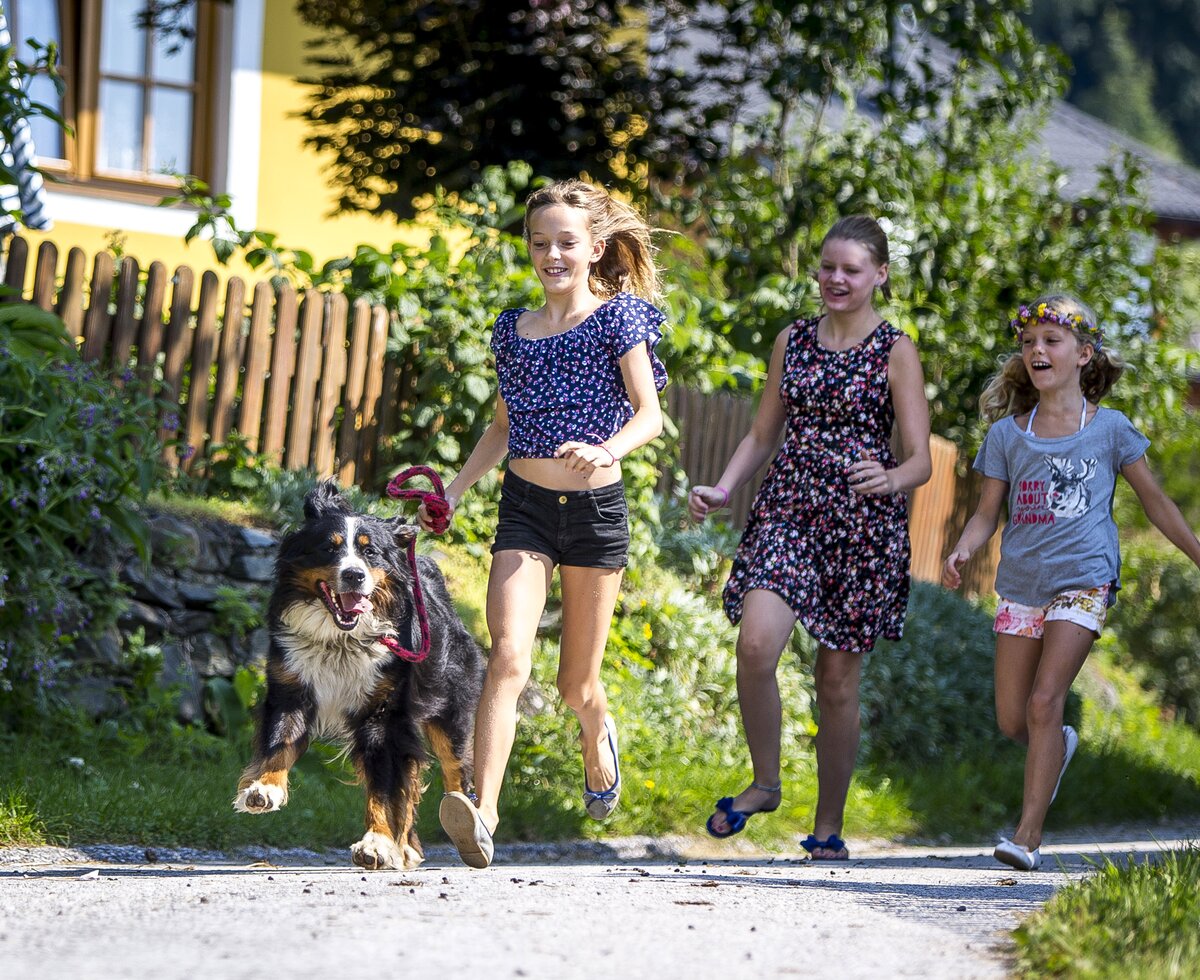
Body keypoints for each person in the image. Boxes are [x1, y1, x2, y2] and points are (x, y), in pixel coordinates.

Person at [420, 178, 669, 869]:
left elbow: (649, 415)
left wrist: (606, 448)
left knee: (573, 685)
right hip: (525, 509)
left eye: (565, 242)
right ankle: (485, 813)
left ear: (594, 248)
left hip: (595, 513)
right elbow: (502, 426)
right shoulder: (513, 329)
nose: (551, 254)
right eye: (539, 242)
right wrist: (457, 488)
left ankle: (596, 734)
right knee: (506, 656)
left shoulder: (619, 321)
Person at [689, 215, 931, 860]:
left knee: (836, 682)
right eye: (827, 267)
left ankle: (828, 827)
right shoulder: (793, 339)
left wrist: (889, 477)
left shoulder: (895, 349)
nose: (835, 279)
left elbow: (921, 460)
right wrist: (722, 486)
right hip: (789, 510)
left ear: (879, 275)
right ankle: (766, 783)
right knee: (757, 644)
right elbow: (761, 434)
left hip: (860, 528)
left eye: (851, 269)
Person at [942, 294, 1200, 871]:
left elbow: (1155, 503)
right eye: (1029, 341)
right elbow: (988, 513)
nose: (1037, 350)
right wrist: (963, 547)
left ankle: (1026, 837)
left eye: (1051, 341)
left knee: (1042, 701)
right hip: (1022, 585)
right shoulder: (1009, 436)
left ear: (1084, 354)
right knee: (1015, 720)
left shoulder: (1110, 430)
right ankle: (1058, 745)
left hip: (1084, 581)